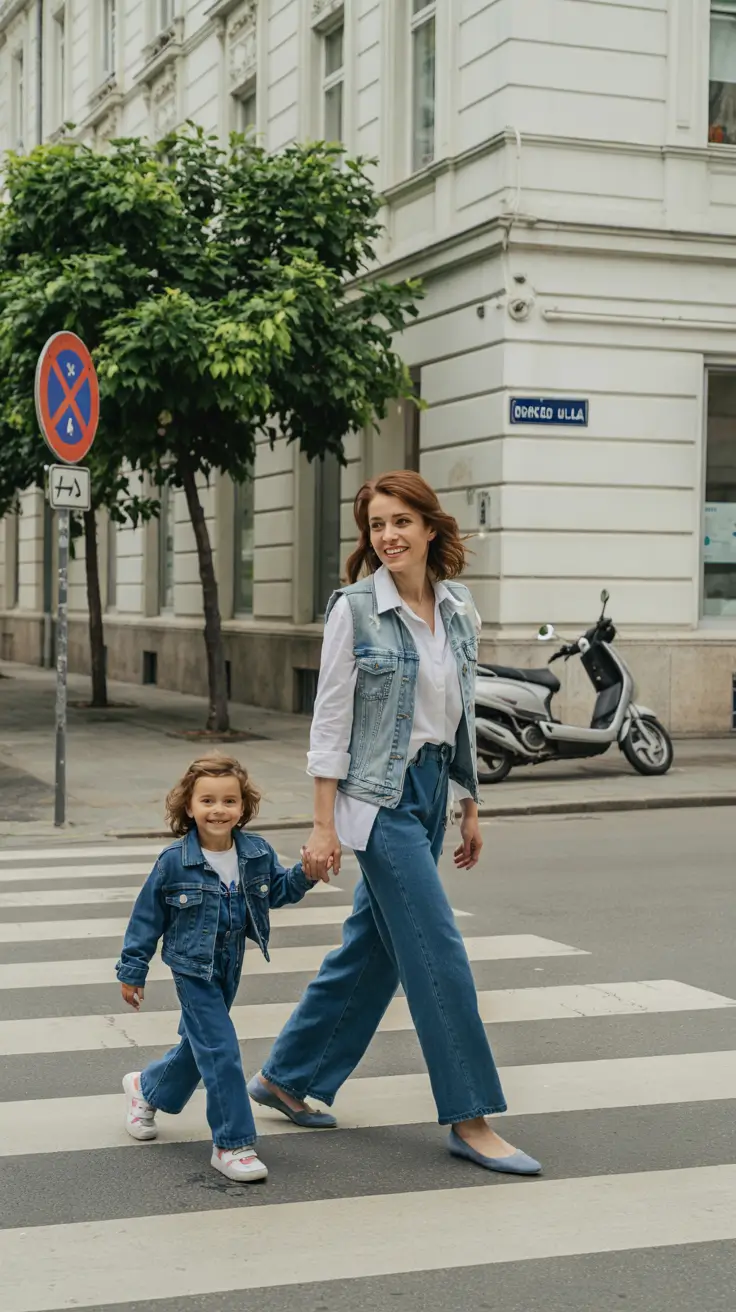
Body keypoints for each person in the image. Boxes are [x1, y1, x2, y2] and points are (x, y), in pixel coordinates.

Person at [248, 471, 541, 1176]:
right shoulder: (355, 611)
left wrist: (469, 803)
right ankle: (471, 1117)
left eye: (401, 522)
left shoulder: (458, 608)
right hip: (377, 801)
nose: (388, 537)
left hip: (433, 790)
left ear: (431, 527)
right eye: (377, 525)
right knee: (437, 951)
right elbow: (330, 725)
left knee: (374, 950)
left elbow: (458, 711)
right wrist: (323, 827)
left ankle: (288, 1076)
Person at [116, 753, 324, 1183]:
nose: (218, 809)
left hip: (230, 964)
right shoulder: (175, 860)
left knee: (201, 1046)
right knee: (222, 1052)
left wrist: (306, 873)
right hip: (191, 968)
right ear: (189, 807)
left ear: (242, 808)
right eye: (207, 800)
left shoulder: (255, 852)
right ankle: (233, 1143)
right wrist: (132, 970)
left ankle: (146, 1088)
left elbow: (277, 892)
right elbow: (146, 918)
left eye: (229, 801)